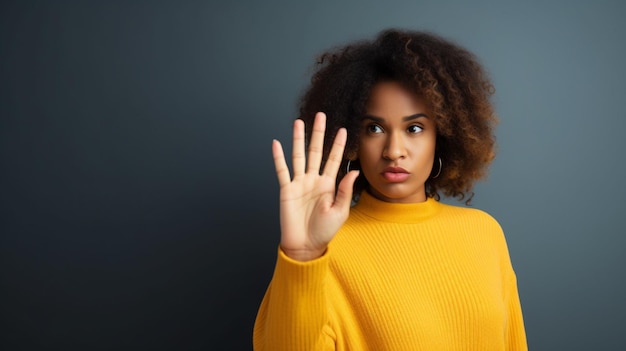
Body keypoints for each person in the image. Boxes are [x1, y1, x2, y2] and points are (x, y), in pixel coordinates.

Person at [253, 29, 527, 350]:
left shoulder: (485, 233)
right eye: (374, 129)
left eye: (414, 128)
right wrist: (302, 259)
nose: (394, 150)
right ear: (353, 140)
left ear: (443, 136)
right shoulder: (324, 249)